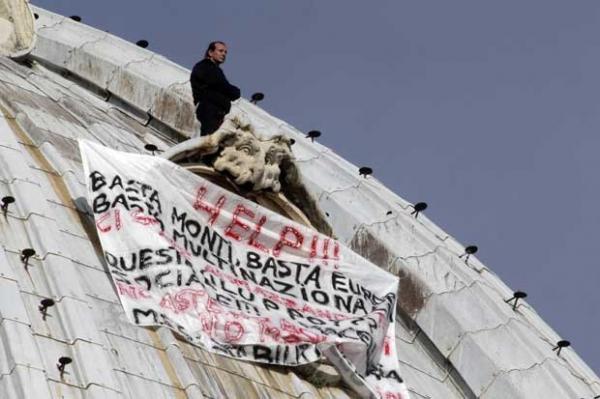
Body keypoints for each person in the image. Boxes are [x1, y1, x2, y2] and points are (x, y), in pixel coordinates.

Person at [190, 41, 241, 136]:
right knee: (209, 141)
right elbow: (221, 85)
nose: (224, 54)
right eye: (221, 51)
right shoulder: (204, 66)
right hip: (209, 110)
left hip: (218, 113)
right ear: (210, 52)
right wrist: (233, 91)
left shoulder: (215, 69)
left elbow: (223, 87)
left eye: (225, 52)